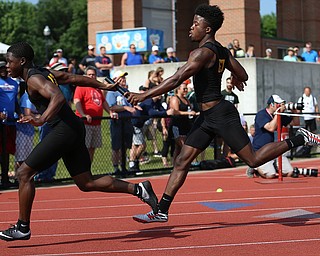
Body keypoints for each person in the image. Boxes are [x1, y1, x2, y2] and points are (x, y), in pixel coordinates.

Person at [125, 4, 320, 223]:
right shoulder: (221, 51)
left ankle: (300, 137)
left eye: (195, 24)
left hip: (221, 114)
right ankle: (162, 210)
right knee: (181, 161)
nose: (191, 28)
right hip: (206, 118)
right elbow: (243, 74)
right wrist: (235, 76)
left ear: (207, 29)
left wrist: (144, 95)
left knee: (253, 160)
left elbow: (177, 79)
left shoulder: (202, 53)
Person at [0, 42, 158, 241]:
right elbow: (70, 77)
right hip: (72, 128)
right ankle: (139, 189)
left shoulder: (34, 79)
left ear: (21, 61)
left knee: (24, 173)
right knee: (86, 182)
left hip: (63, 130)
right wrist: (102, 84)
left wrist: (41, 119)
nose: (7, 66)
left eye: (9, 62)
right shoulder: (42, 72)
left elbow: (57, 97)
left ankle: (23, 227)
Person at [247, 95, 298, 178]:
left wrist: (294, 111)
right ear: (272, 105)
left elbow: (295, 123)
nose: (281, 106)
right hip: (261, 151)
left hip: (275, 150)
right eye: (278, 104)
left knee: (289, 172)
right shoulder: (261, 114)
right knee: (271, 175)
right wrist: (278, 113)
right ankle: (255, 167)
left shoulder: (279, 115)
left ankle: (274, 166)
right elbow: (271, 128)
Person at [73, 66, 112, 162]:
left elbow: (103, 102)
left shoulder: (97, 87)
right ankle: (82, 170)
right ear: (85, 75)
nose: (91, 77)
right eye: (89, 74)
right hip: (85, 123)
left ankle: (88, 170)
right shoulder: (81, 87)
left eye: (93, 75)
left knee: (92, 148)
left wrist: (110, 112)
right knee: (84, 148)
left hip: (96, 122)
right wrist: (83, 114)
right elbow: (76, 101)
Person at [106, 71, 136, 176]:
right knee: (116, 146)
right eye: (121, 78)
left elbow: (131, 104)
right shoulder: (112, 92)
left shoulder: (126, 91)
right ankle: (116, 168)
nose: (123, 80)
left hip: (127, 121)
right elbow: (111, 106)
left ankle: (124, 166)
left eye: (124, 78)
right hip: (117, 122)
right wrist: (125, 108)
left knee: (126, 145)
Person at [0, 61, 21, 189]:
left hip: (10, 121)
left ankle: (5, 178)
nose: (3, 70)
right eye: (0, 68)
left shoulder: (14, 83)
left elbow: (16, 101)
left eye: (4, 68)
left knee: (7, 150)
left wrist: (19, 113)